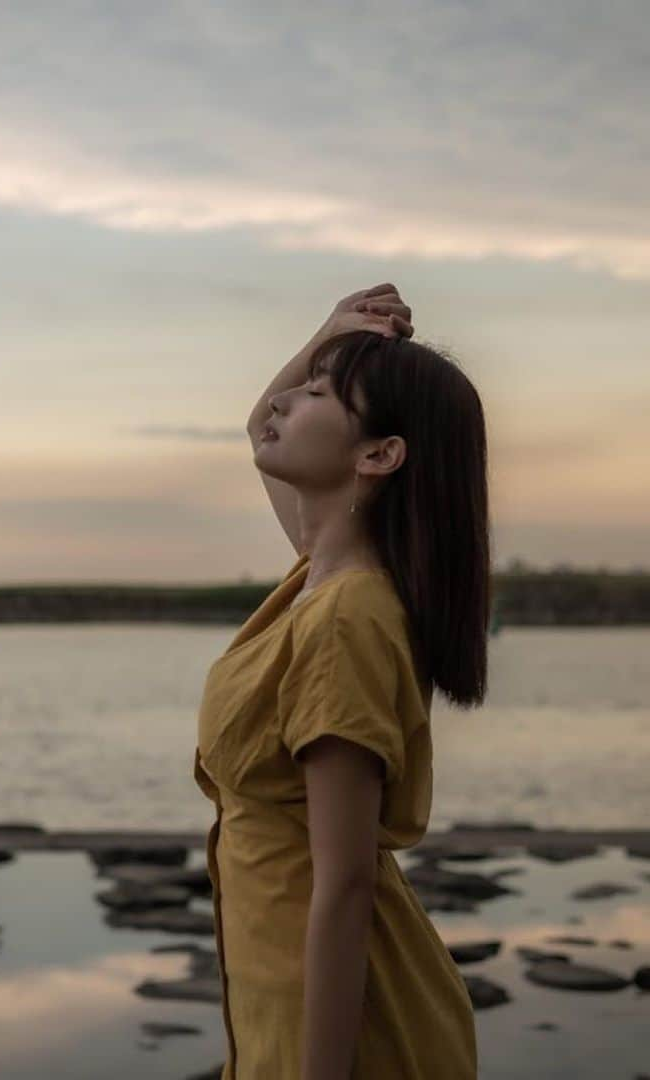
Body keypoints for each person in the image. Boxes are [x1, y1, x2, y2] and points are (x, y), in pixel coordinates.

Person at [194, 283, 487, 1078]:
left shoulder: (345, 620)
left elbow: (347, 880)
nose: (286, 398)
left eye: (319, 392)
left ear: (379, 454)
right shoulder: (317, 581)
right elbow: (262, 424)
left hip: (349, 1031)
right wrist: (331, 334)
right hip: (282, 995)